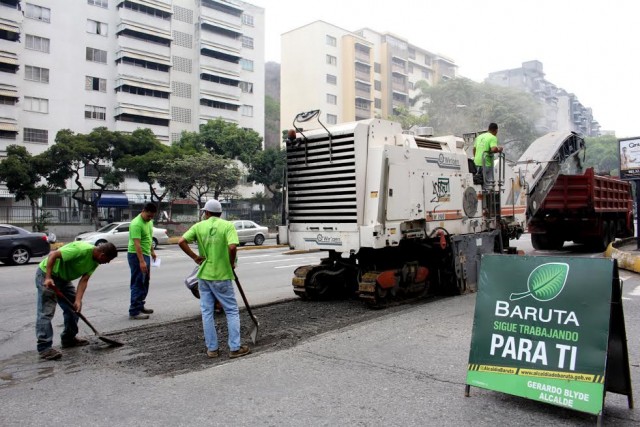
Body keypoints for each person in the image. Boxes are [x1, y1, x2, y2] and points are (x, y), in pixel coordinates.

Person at [178, 199, 251, 359]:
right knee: (231, 310)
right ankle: (234, 348)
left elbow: (181, 241)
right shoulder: (227, 225)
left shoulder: (199, 226)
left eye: (204, 212)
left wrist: (195, 257)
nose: (204, 214)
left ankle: (212, 349)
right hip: (222, 275)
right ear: (220, 213)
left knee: (207, 312)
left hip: (204, 275)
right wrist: (231, 264)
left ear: (207, 212)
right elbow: (232, 247)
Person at [36, 241, 118, 360]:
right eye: (108, 259)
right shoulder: (81, 250)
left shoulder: (95, 262)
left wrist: (78, 300)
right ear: (102, 255)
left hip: (63, 280)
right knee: (46, 312)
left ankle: (68, 339)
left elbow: (84, 280)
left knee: (74, 308)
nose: (107, 262)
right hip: (47, 275)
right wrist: (48, 277)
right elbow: (53, 255)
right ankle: (44, 348)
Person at [128, 202, 157, 320]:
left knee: (145, 281)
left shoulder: (149, 222)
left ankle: (140, 305)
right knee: (138, 281)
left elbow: (149, 238)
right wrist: (141, 261)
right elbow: (137, 245)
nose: (150, 218)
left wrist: (152, 252)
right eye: (149, 216)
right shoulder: (136, 224)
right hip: (136, 255)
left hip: (145, 254)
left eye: (152, 216)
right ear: (143, 211)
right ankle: (134, 311)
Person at [473, 123, 502, 190]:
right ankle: (488, 196)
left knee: (478, 182)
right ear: (496, 130)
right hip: (486, 164)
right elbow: (493, 149)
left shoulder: (479, 137)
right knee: (488, 184)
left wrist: (477, 157)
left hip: (476, 163)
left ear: (488, 129)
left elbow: (474, 149)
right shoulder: (493, 137)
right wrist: (499, 149)